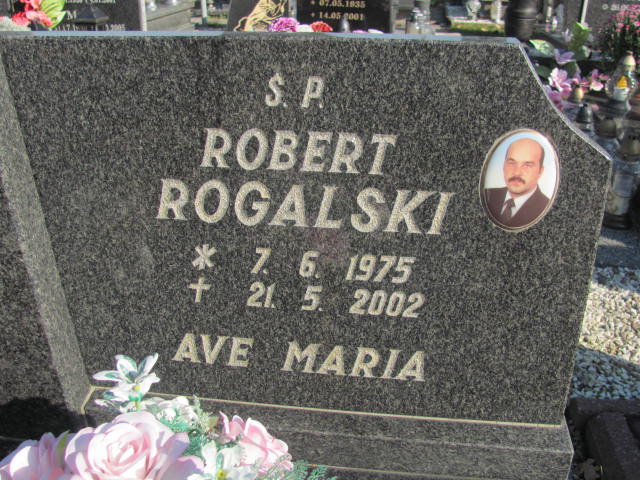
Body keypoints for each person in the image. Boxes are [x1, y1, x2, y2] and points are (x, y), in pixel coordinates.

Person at [484, 137, 551, 228]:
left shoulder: (545, 207)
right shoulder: (487, 195)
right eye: (512, 163)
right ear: (503, 165)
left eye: (527, 165)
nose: (517, 172)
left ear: (540, 171)